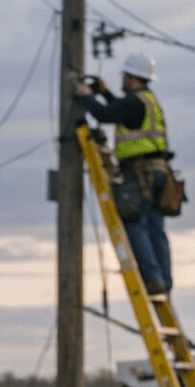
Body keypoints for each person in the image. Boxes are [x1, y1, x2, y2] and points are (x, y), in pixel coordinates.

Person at [77, 51, 175, 295]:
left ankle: (152, 278)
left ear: (131, 77)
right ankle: (163, 280)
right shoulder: (147, 101)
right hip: (159, 173)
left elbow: (105, 114)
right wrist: (103, 93)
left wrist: (85, 96)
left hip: (139, 173)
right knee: (155, 230)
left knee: (135, 224)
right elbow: (121, 112)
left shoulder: (133, 103)